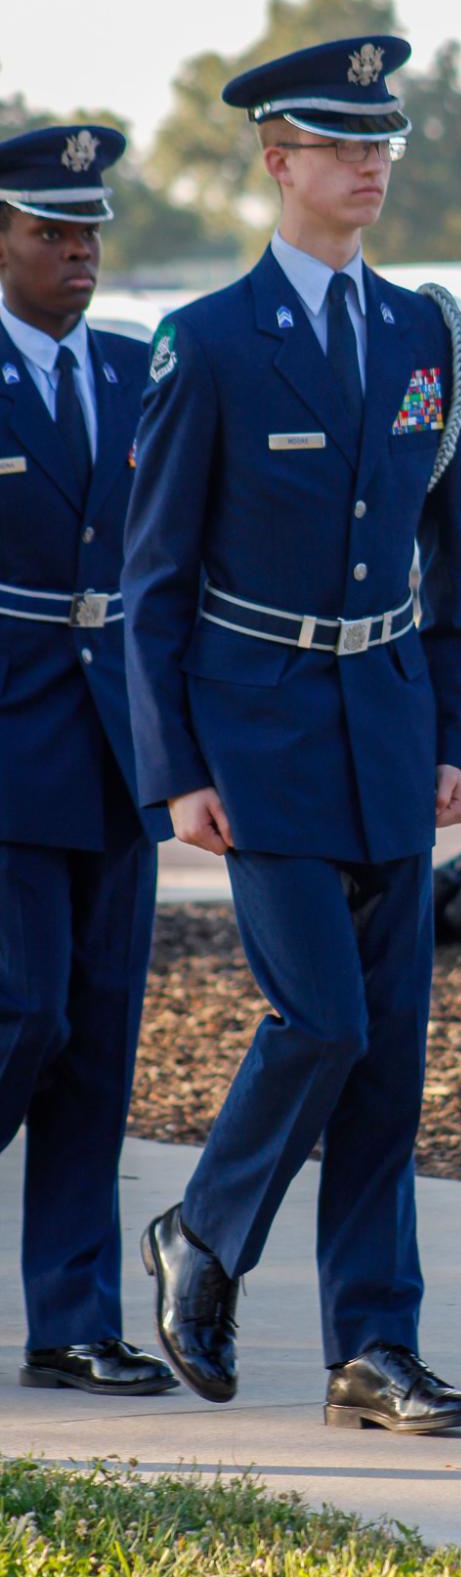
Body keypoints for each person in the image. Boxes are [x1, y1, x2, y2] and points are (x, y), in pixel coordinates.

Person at [122, 37, 461, 1432]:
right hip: (257, 734)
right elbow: (153, 580)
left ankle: (372, 1349)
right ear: (278, 162)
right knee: (320, 1017)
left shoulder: (423, 335)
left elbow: (447, 557)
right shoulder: (208, 342)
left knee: (387, 1052)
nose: (370, 162)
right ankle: (205, 1233)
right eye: (341, 144)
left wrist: (455, 728)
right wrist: (174, 770)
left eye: (380, 140)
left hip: (390, 731)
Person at [0, 125, 175, 1396]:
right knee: (25, 1010)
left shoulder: (137, 375)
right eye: (50, 230)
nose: (79, 251)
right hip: (5, 738)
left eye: (89, 230)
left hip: (120, 746)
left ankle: (73, 1320)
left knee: (97, 1040)